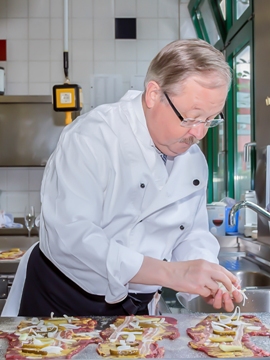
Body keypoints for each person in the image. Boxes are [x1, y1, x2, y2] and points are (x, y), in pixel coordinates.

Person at [3, 38, 242, 317]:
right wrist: (171, 273)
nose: (199, 133)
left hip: (135, 308)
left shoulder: (192, 159)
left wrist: (207, 276)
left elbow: (190, 233)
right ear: (154, 94)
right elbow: (73, 237)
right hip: (60, 301)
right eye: (190, 118)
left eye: (211, 120)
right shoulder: (93, 138)